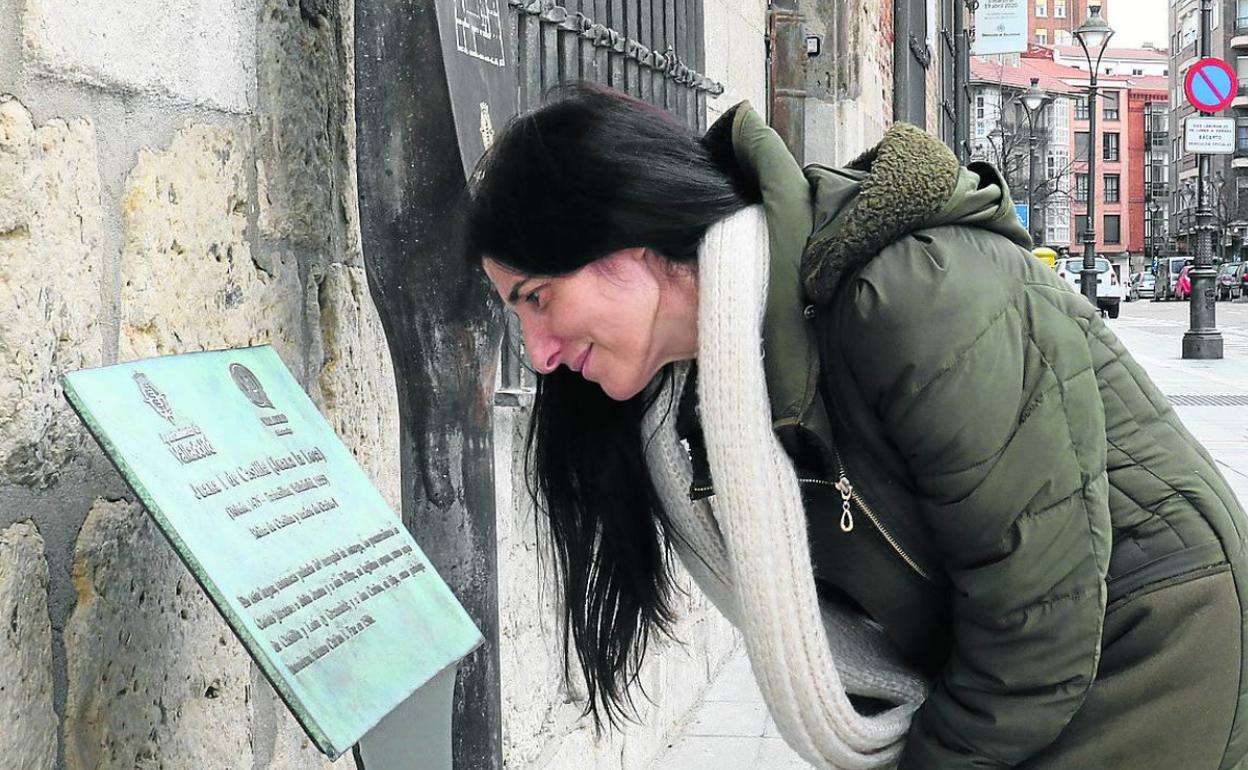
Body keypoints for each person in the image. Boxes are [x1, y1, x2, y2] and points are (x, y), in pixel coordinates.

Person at [462, 81, 1248, 769]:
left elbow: (1038, 615)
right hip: (1021, 672)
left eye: (537, 297)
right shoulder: (705, 389)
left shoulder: (910, 294)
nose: (539, 352)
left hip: (1150, 643)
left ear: (630, 243)